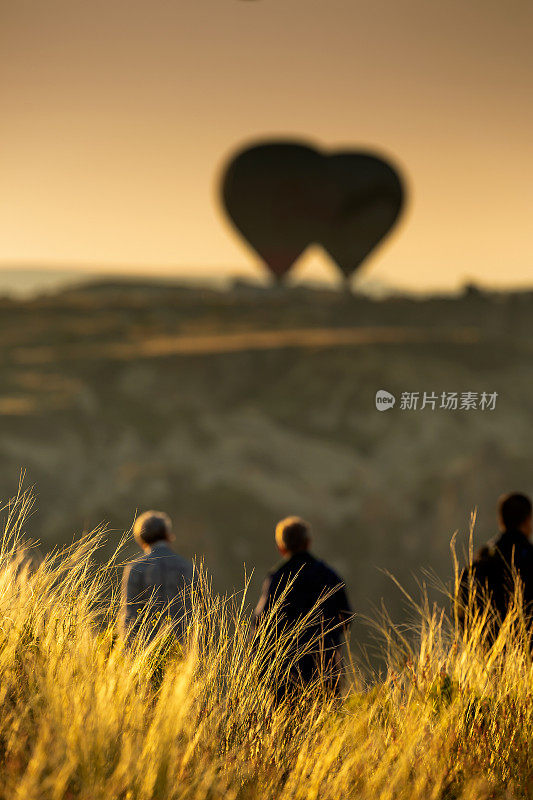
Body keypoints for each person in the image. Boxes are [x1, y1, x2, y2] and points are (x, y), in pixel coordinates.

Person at [253, 516, 352, 697]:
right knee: (327, 721)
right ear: (308, 543)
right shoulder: (329, 575)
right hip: (326, 669)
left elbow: (261, 623)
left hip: (286, 673)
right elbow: (346, 619)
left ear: (281, 548)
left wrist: (258, 668)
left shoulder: (277, 578)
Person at [457, 492, 533, 641]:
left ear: (501, 521)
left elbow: (462, 611)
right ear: (527, 520)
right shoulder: (529, 556)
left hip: (490, 650)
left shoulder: (482, 559)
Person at [120, 510, 195, 645]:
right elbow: (200, 614)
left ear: (140, 538)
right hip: (184, 647)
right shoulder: (188, 567)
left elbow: (130, 616)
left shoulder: (136, 568)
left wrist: (126, 652)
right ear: (168, 535)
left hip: (147, 649)